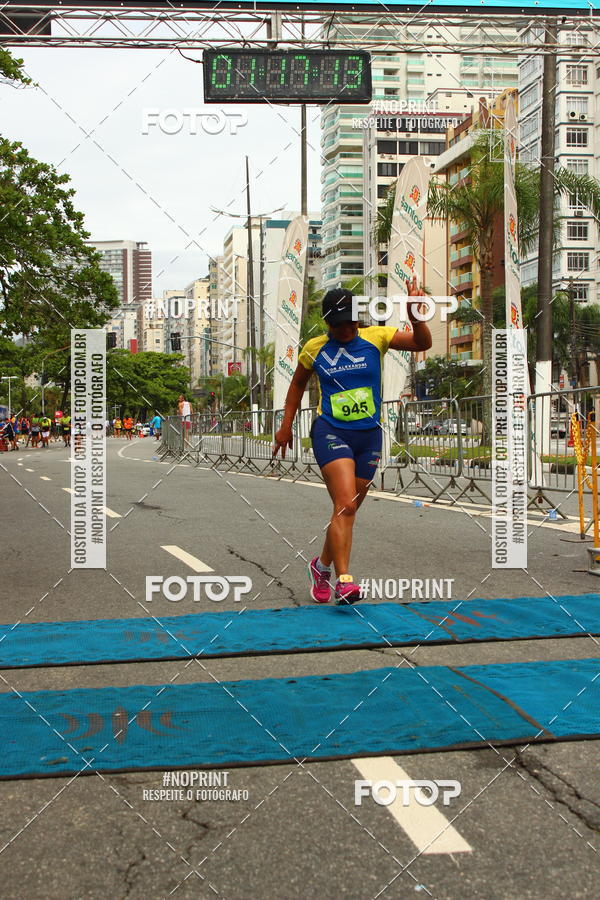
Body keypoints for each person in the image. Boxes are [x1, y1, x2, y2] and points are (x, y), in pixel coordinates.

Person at [273, 280, 432, 605]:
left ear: (358, 319)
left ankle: (320, 567)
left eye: (350, 323)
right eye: (338, 325)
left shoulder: (377, 337)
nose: (345, 330)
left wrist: (416, 317)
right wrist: (285, 426)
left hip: (369, 435)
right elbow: (297, 386)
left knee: (346, 510)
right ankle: (344, 581)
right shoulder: (315, 348)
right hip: (331, 431)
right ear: (327, 323)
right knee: (345, 504)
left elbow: (421, 343)